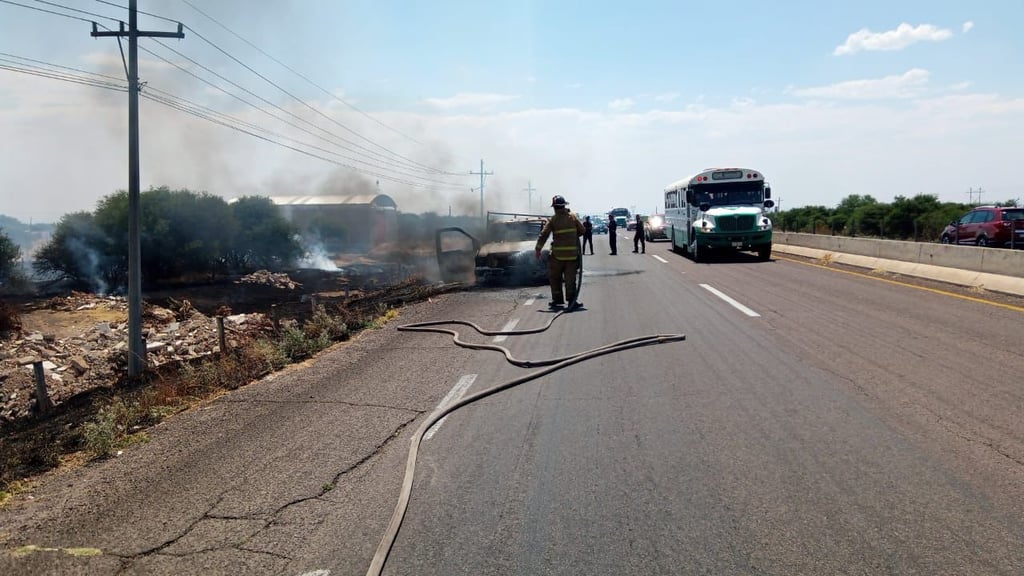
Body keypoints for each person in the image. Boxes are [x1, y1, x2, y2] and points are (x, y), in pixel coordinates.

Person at [535, 195, 585, 309]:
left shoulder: (553, 220)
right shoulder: (573, 217)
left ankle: (557, 300)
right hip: (572, 256)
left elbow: (544, 235)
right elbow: (582, 230)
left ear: (555, 207)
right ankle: (572, 301)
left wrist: (538, 249)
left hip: (557, 257)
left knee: (555, 278)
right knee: (570, 280)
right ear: (564, 206)